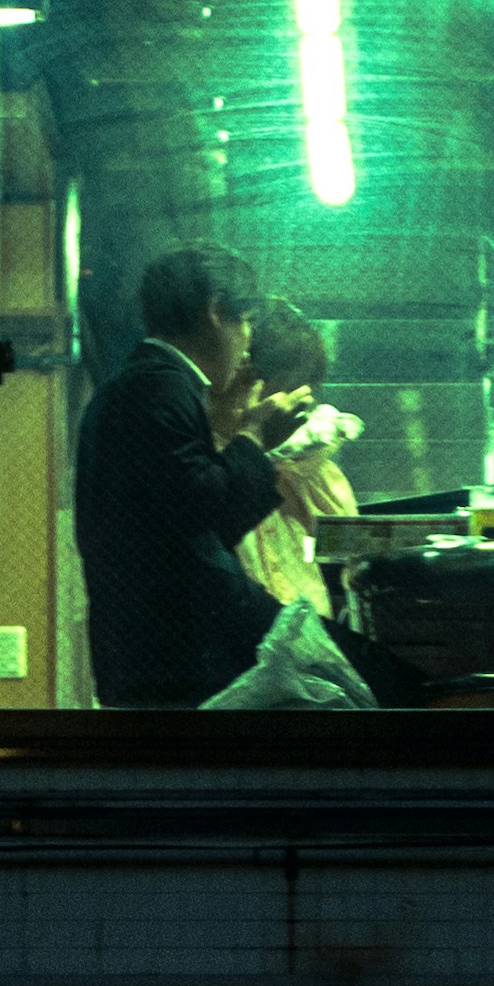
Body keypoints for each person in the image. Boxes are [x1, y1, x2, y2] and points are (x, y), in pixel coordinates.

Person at [71, 241, 311, 706]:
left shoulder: (149, 384)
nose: (244, 347)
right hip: (172, 666)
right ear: (217, 311)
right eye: (245, 324)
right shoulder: (157, 387)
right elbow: (209, 509)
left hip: (156, 660)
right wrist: (254, 438)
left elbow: (190, 516)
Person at [239, 304, 364, 622]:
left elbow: (353, 570)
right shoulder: (220, 472)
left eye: (311, 385)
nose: (305, 399)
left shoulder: (316, 473)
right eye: (290, 384)